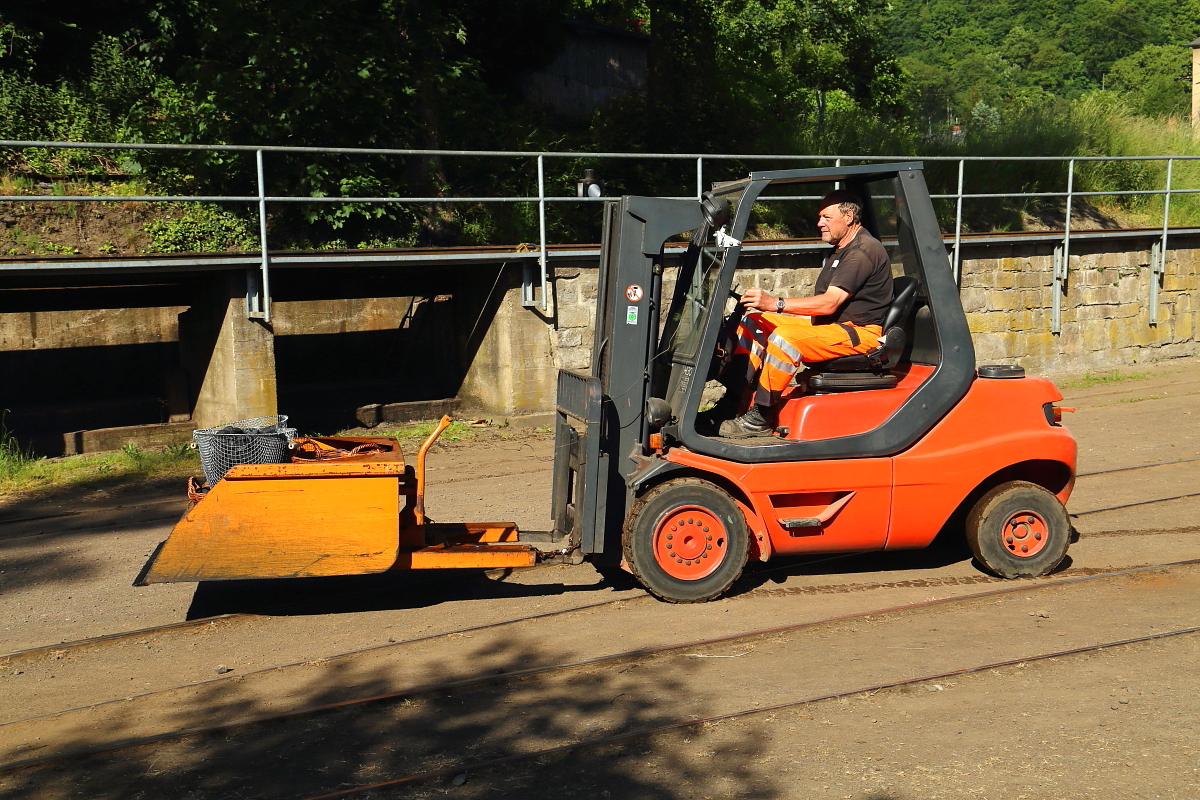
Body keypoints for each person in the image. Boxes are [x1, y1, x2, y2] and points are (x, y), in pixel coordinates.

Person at [710, 190, 894, 439]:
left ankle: (761, 416)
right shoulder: (843, 248)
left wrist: (775, 303)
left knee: (785, 338)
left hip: (860, 334)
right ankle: (735, 398)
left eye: (826, 217)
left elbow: (829, 304)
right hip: (833, 329)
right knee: (756, 321)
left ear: (848, 216)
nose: (820, 223)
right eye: (820, 217)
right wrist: (768, 309)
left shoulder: (861, 252)